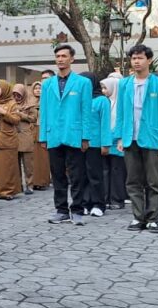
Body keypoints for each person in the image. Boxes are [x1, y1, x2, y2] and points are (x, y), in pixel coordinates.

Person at [115, 45, 158, 233]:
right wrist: (119, 137)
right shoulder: (124, 84)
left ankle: (153, 218)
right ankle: (138, 217)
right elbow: (121, 112)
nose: (136, 61)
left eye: (140, 58)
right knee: (133, 180)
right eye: (133, 58)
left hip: (152, 137)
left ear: (149, 60)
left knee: (154, 181)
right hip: (129, 137)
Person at [39, 44, 91, 225]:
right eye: (57, 56)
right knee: (58, 175)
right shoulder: (47, 84)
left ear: (72, 59)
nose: (60, 59)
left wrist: (85, 136)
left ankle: (77, 210)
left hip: (74, 134)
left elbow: (86, 111)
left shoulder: (83, 82)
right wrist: (43, 136)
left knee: (77, 175)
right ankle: (61, 210)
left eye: (63, 56)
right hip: (54, 135)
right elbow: (43, 111)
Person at [81, 73, 111, 217]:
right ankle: (84, 203)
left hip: (95, 143)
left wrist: (105, 144)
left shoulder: (101, 100)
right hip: (78, 143)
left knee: (95, 175)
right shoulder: (78, 99)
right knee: (81, 175)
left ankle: (99, 204)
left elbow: (105, 124)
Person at [0, 79, 21, 201]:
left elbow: (16, 120)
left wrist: (4, 113)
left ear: (5, 89)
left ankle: (8, 191)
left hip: (7, 140)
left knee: (7, 167)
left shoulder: (12, 103)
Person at [100, 76, 126, 209]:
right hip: (104, 141)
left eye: (106, 87)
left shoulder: (123, 103)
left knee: (117, 171)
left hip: (117, 142)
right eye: (102, 88)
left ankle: (117, 199)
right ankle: (104, 198)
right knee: (104, 171)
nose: (104, 91)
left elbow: (124, 122)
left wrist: (120, 137)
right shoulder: (104, 102)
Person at [12, 84, 36, 196]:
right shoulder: (11, 105)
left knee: (28, 164)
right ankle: (18, 186)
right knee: (15, 165)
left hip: (26, 136)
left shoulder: (30, 105)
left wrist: (21, 114)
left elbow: (33, 118)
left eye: (19, 95)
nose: (16, 97)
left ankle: (29, 185)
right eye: (14, 95)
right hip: (14, 137)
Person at [29, 80, 51, 190]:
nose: (38, 90)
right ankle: (34, 181)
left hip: (43, 131)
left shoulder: (48, 101)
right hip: (32, 132)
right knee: (33, 160)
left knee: (43, 159)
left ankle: (43, 181)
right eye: (35, 88)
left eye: (40, 88)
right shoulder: (29, 102)